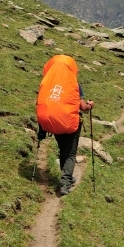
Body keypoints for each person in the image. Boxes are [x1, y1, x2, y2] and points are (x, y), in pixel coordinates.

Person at [35, 54, 94, 195]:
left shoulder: (47, 84)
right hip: (70, 123)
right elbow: (83, 107)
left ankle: (65, 177)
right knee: (70, 153)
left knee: (63, 150)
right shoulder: (74, 85)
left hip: (54, 123)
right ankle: (65, 183)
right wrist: (90, 106)